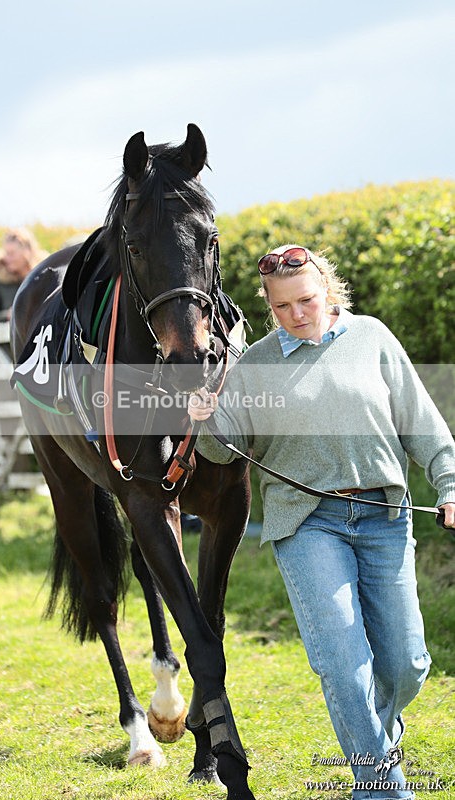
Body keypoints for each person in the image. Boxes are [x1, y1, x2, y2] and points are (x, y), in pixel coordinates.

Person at [188, 243, 455, 800]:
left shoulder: (372, 338)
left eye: (306, 300)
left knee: (407, 664)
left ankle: (376, 734)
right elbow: (222, 451)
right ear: (268, 304)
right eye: (282, 306)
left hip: (384, 516)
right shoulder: (256, 364)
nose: (297, 314)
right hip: (307, 524)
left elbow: (423, 425)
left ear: (326, 289)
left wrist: (450, 485)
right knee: (343, 664)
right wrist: (205, 420)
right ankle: (381, 787)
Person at [0, 228, 49, 324]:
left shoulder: (45, 275)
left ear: (27, 252)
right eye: (6, 253)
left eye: (11, 254)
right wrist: (8, 315)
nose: (7, 258)